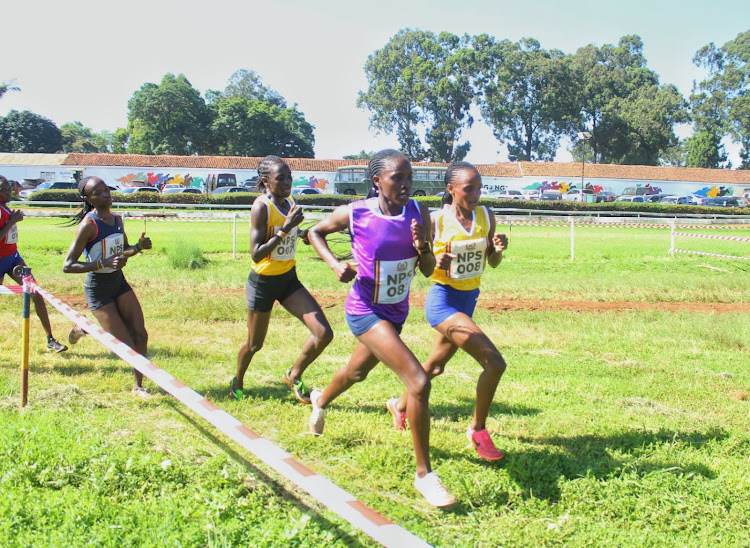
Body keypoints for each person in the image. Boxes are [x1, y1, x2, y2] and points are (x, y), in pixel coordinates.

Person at [307, 149, 456, 507]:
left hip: (396, 313)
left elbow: (424, 269)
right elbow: (314, 231)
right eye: (397, 179)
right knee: (418, 382)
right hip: (363, 309)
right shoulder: (356, 212)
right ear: (377, 181)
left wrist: (423, 247)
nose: (406, 186)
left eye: (410, 179)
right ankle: (425, 476)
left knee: (356, 373)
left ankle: (320, 400)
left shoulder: (419, 212)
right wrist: (333, 264)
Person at [386, 161, 508, 461]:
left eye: (479, 188)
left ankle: (399, 405)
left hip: (469, 299)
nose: (476, 194)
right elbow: (426, 266)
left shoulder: (486, 215)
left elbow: (491, 263)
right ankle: (477, 430)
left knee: (435, 366)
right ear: (451, 189)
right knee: (494, 363)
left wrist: (498, 250)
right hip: (443, 302)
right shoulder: (437, 220)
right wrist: (438, 260)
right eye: (469, 189)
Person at [230, 155, 333, 404]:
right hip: (263, 283)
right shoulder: (261, 207)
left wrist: (304, 233)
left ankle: (293, 374)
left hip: (288, 279)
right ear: (266, 181)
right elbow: (256, 254)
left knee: (323, 333)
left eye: (290, 177)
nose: (288, 182)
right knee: (255, 344)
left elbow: (291, 234)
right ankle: (238, 380)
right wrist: (286, 228)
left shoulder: (290, 201)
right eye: (281, 178)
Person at [62, 176, 152, 395]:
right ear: (87, 199)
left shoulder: (117, 220)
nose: (106, 194)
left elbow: (122, 252)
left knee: (141, 336)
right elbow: (68, 265)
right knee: (126, 345)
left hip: (118, 282)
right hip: (98, 289)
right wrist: (102, 263)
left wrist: (138, 247)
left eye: (106, 190)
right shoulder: (88, 225)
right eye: (98, 192)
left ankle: (138, 386)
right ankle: (85, 327)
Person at [0, 175, 68, 352]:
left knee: (36, 293)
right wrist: (12, 221)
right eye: (4, 190)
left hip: (13, 259)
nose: (9, 192)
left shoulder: (5, 207)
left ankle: (50, 339)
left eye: (9, 188)